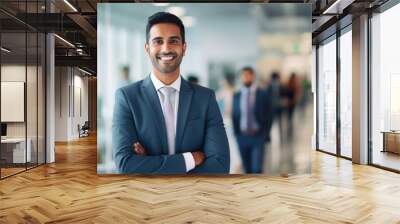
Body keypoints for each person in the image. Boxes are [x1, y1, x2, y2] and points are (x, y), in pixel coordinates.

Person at [112, 12, 230, 174]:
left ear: (184, 48)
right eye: (158, 41)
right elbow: (125, 165)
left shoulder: (205, 98)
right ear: (147, 49)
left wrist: (149, 164)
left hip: (195, 196)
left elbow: (220, 165)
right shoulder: (127, 97)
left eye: (173, 41)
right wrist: (189, 159)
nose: (166, 48)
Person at [232, 67, 272, 173]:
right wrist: (236, 135)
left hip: (258, 136)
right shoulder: (236, 95)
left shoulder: (262, 94)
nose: (245, 77)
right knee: (246, 169)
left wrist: (265, 134)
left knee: (256, 169)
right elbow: (235, 115)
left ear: (253, 76)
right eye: (243, 75)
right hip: (242, 137)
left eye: (248, 75)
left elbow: (269, 115)